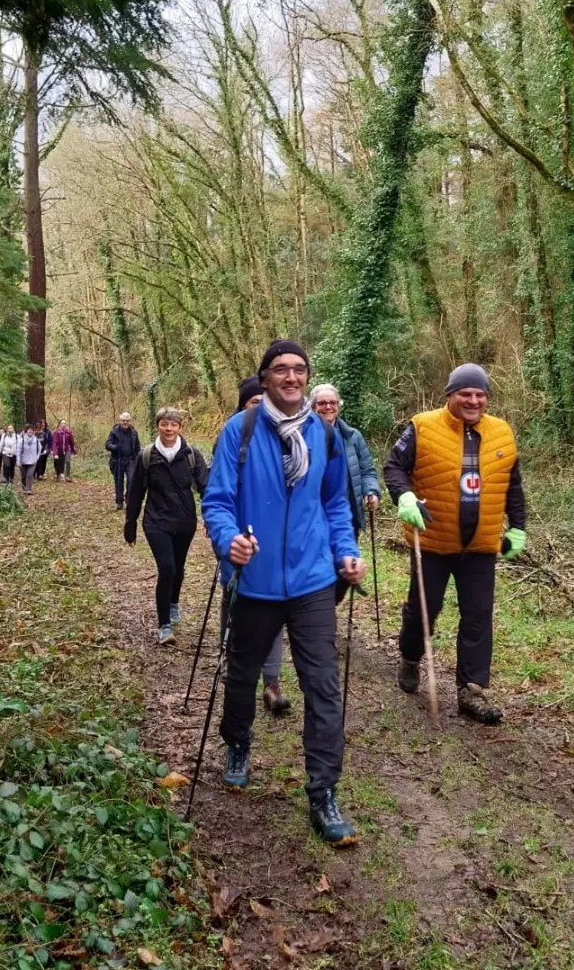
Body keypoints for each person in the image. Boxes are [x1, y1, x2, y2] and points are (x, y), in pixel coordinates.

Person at [202, 339, 365, 847]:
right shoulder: (240, 431)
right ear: (266, 377)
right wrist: (229, 541)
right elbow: (218, 499)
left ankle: (324, 792)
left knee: (322, 685)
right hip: (255, 580)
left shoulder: (325, 435)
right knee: (243, 672)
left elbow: (336, 502)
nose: (291, 378)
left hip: (314, 578)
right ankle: (237, 744)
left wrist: (345, 550)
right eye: (281, 370)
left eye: (299, 370)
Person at [383, 363, 526, 725]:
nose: (473, 400)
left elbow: (513, 485)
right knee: (423, 611)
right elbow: (394, 467)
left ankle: (471, 690)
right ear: (450, 395)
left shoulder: (502, 433)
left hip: (480, 545)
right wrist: (405, 497)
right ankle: (411, 655)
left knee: (477, 616)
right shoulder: (422, 426)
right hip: (432, 541)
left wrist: (518, 528)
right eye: (465, 394)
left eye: (480, 395)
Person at [227, 375, 292, 716]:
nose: (260, 407)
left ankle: (272, 682)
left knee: (275, 621)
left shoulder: (289, 437)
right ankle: (239, 674)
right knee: (239, 619)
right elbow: (218, 495)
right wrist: (228, 539)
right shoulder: (233, 437)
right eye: (252, 402)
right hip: (237, 548)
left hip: (276, 554)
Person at [124, 407, 209, 646]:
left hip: (184, 521)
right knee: (167, 568)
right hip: (156, 521)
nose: (169, 429)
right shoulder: (147, 456)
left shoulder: (192, 455)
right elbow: (135, 492)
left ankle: (173, 602)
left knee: (179, 567)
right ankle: (164, 625)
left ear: (180, 428)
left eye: (173, 425)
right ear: (158, 426)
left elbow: (206, 488)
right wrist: (130, 523)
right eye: (164, 424)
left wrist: (212, 518)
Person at [309, 383, 381, 603]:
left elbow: (368, 470)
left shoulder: (352, 436)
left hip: (347, 516)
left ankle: (326, 606)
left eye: (332, 402)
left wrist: (371, 491)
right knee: (317, 566)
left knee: (343, 568)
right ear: (313, 406)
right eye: (322, 403)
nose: (328, 407)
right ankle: (316, 613)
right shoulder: (304, 435)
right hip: (313, 516)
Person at [106, 412, 141, 510]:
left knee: (131, 480)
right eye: (123, 421)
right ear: (120, 421)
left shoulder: (134, 432)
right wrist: (115, 447)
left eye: (127, 421)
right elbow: (108, 444)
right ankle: (119, 502)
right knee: (119, 482)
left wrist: (138, 459)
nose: (125, 422)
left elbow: (137, 447)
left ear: (130, 421)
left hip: (131, 460)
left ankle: (129, 499)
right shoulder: (114, 432)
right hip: (118, 460)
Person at [16, 423, 42, 494]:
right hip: (23, 461)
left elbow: (39, 449)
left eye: (31, 430)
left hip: (33, 461)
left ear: (33, 431)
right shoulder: (22, 440)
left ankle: (28, 488)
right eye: (29, 430)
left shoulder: (36, 440)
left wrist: (37, 457)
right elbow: (18, 451)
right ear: (26, 431)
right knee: (23, 476)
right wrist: (18, 461)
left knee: (30, 475)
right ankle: (24, 487)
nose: (30, 431)